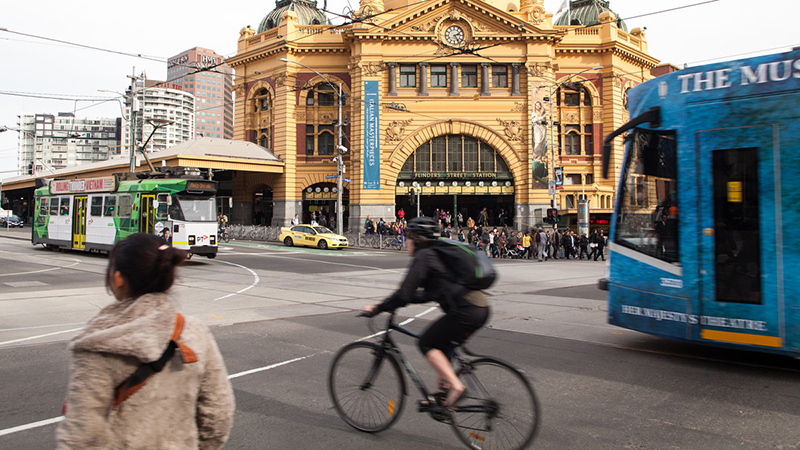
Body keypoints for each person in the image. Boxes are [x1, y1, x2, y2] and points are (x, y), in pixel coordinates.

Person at [56, 233, 234, 449]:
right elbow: (218, 413)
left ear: (118, 279)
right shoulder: (196, 332)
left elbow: (82, 437)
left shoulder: (97, 343)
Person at [360, 217, 490, 409]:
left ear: (417, 239)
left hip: (466, 312)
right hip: (479, 308)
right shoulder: (436, 255)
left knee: (426, 343)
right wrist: (403, 300)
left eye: (408, 236)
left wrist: (378, 308)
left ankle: (456, 386)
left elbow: (404, 293)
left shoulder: (424, 257)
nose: (406, 241)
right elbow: (428, 294)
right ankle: (440, 397)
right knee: (442, 347)